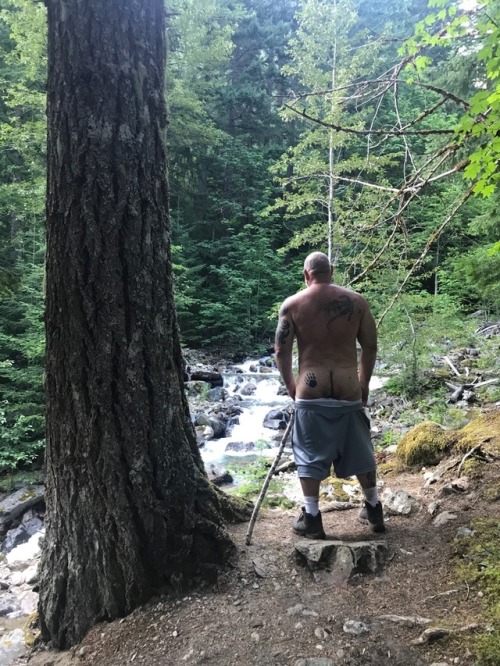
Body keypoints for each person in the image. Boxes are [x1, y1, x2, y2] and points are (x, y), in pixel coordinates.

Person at [275, 251, 384, 539]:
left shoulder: (292, 305)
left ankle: (312, 516)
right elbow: (370, 346)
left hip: (311, 389)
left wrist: (290, 385)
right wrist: (364, 382)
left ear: (305, 274)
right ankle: (373, 508)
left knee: (309, 453)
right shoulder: (357, 301)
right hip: (349, 388)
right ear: (331, 271)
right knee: (360, 449)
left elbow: (281, 350)